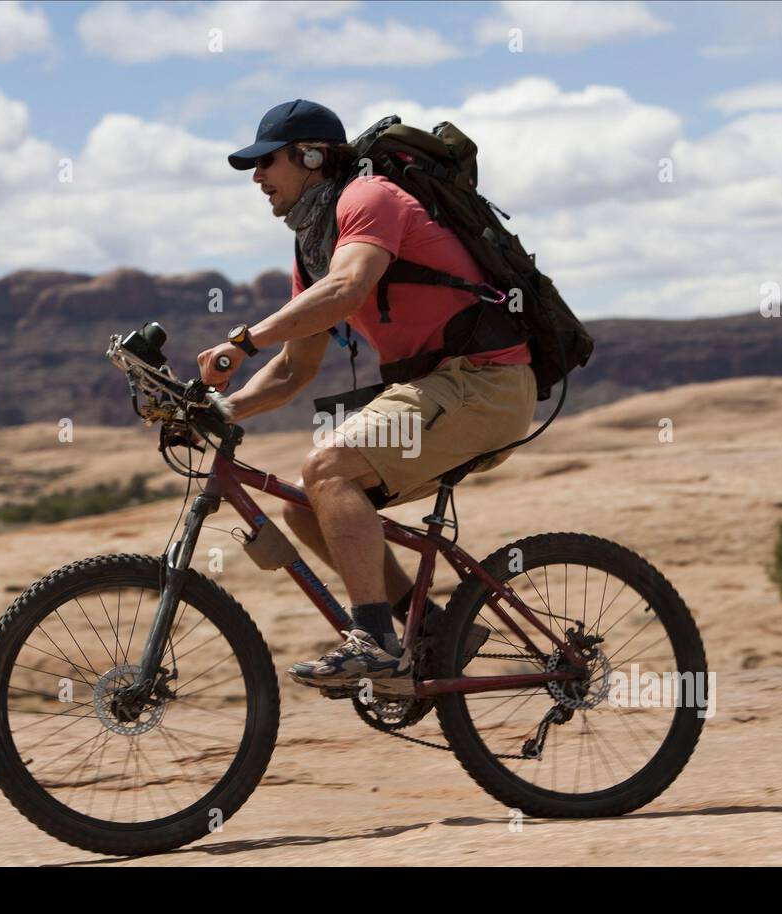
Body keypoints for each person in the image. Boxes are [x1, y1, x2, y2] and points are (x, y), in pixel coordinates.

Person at [197, 99, 536, 695]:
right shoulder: (312, 247)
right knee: (306, 504)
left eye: (266, 162)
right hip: (441, 389)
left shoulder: (369, 198)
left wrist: (243, 340)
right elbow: (295, 370)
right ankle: (426, 628)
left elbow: (350, 286)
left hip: (483, 382)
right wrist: (220, 409)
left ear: (310, 157)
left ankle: (375, 641)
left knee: (328, 466)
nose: (256, 178)